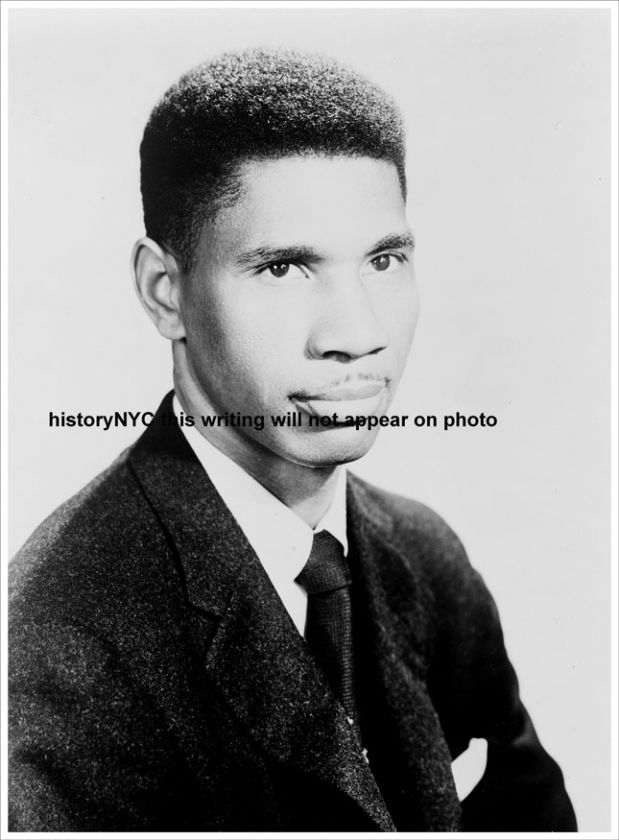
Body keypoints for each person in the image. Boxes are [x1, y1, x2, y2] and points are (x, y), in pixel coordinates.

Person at [9, 48, 577, 832]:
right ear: (163, 292)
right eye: (283, 269)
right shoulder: (55, 640)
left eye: (384, 260)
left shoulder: (425, 556)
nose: (358, 334)